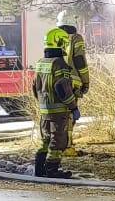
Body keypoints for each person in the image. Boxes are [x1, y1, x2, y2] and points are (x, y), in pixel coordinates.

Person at [32, 29, 78, 179]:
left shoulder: (40, 63)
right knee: (58, 141)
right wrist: (73, 107)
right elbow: (62, 88)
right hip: (58, 112)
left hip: (44, 111)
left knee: (46, 140)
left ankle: (39, 169)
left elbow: (35, 87)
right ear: (60, 43)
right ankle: (52, 170)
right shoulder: (59, 64)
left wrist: (43, 103)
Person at [56, 19, 90, 158]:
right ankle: (67, 147)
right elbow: (79, 60)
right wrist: (85, 81)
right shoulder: (75, 38)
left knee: (58, 115)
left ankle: (57, 145)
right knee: (69, 115)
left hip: (55, 80)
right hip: (71, 81)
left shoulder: (54, 37)